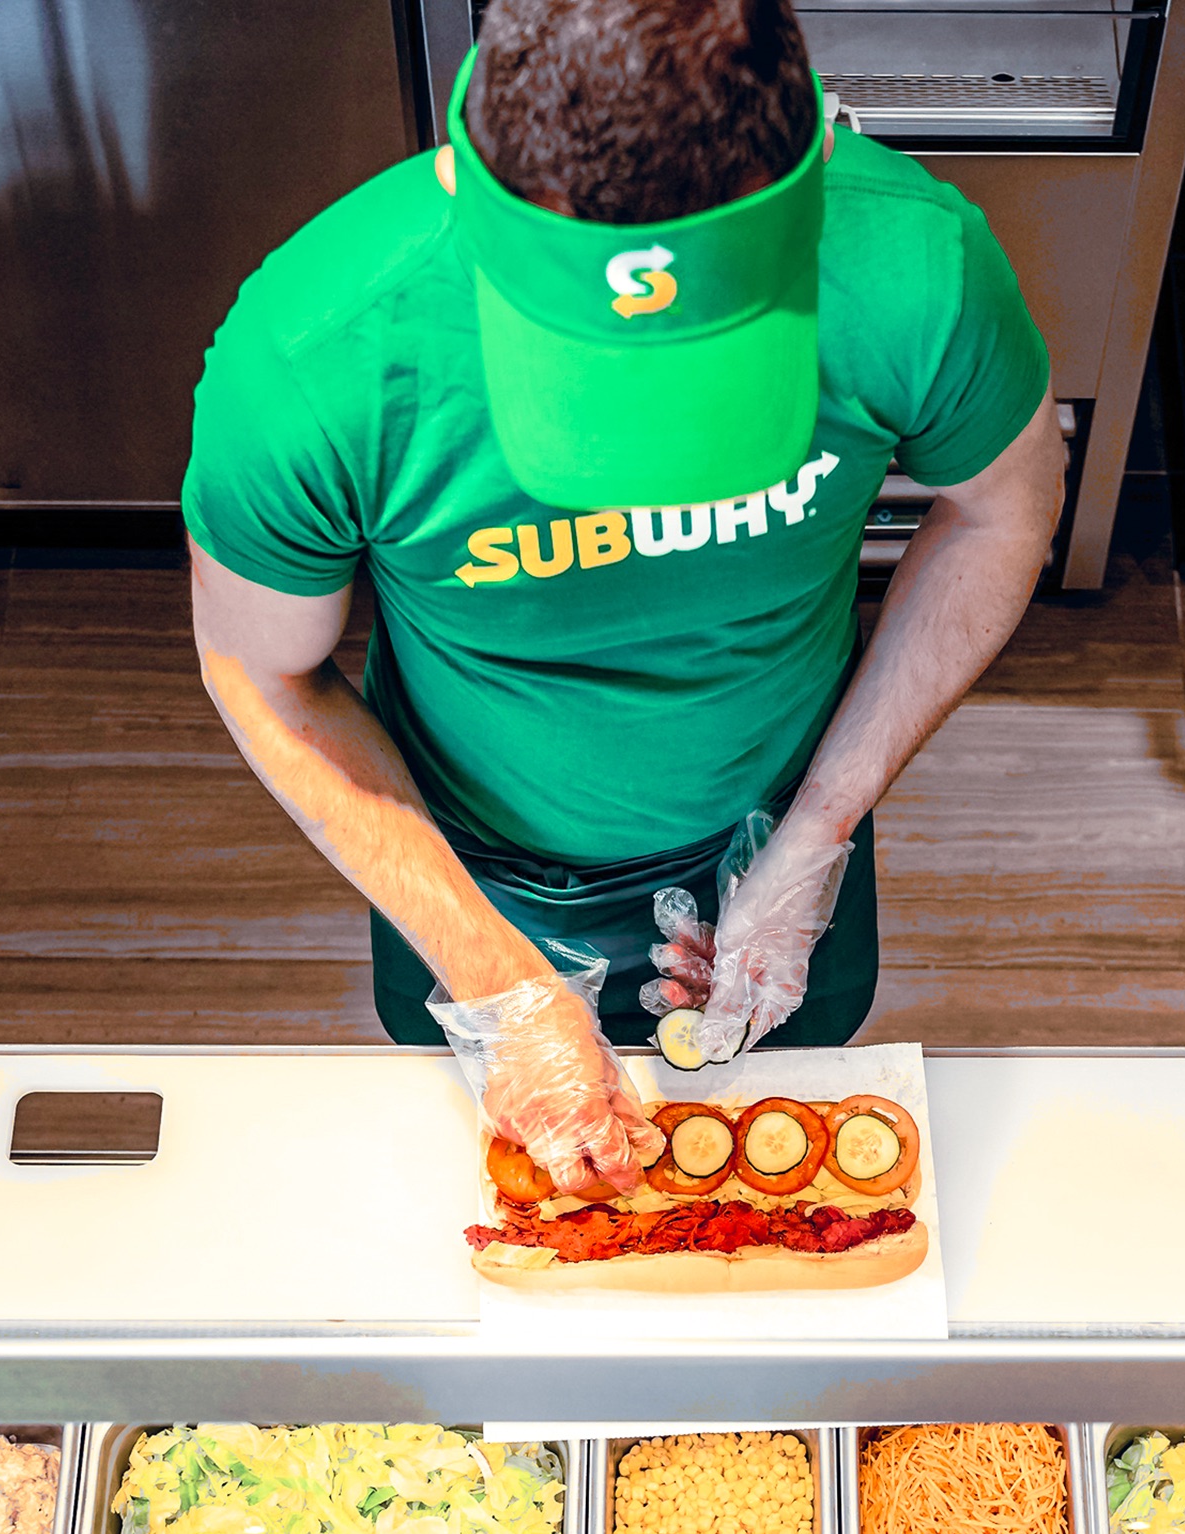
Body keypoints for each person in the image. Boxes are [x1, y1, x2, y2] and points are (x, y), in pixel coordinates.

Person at [183, 0, 1064, 1194]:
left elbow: (1001, 511)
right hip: (462, 856)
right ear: (472, 192)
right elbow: (260, 670)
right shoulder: (320, 358)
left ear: (812, 163)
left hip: (785, 805)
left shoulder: (915, 267)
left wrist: (818, 829)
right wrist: (494, 979)